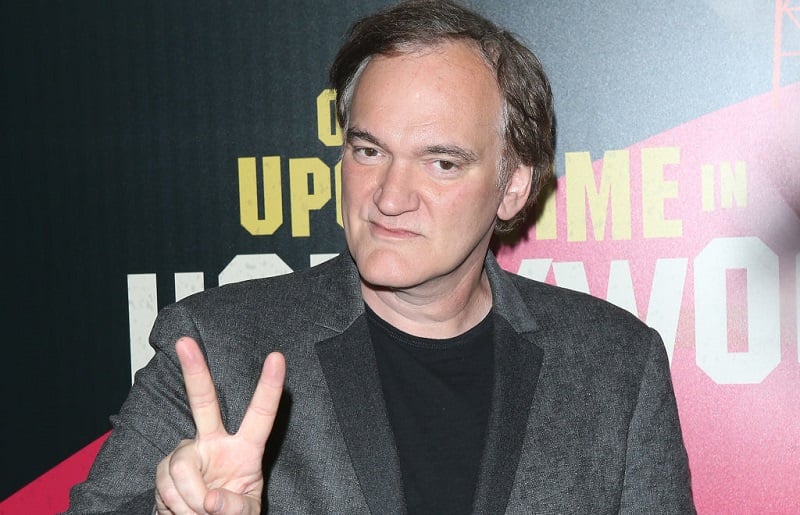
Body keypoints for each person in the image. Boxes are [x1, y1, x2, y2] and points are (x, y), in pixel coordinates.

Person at [65, 0, 695, 513]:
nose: (389, 198)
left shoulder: (616, 364)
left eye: (441, 163)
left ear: (513, 187)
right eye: (368, 151)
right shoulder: (217, 346)